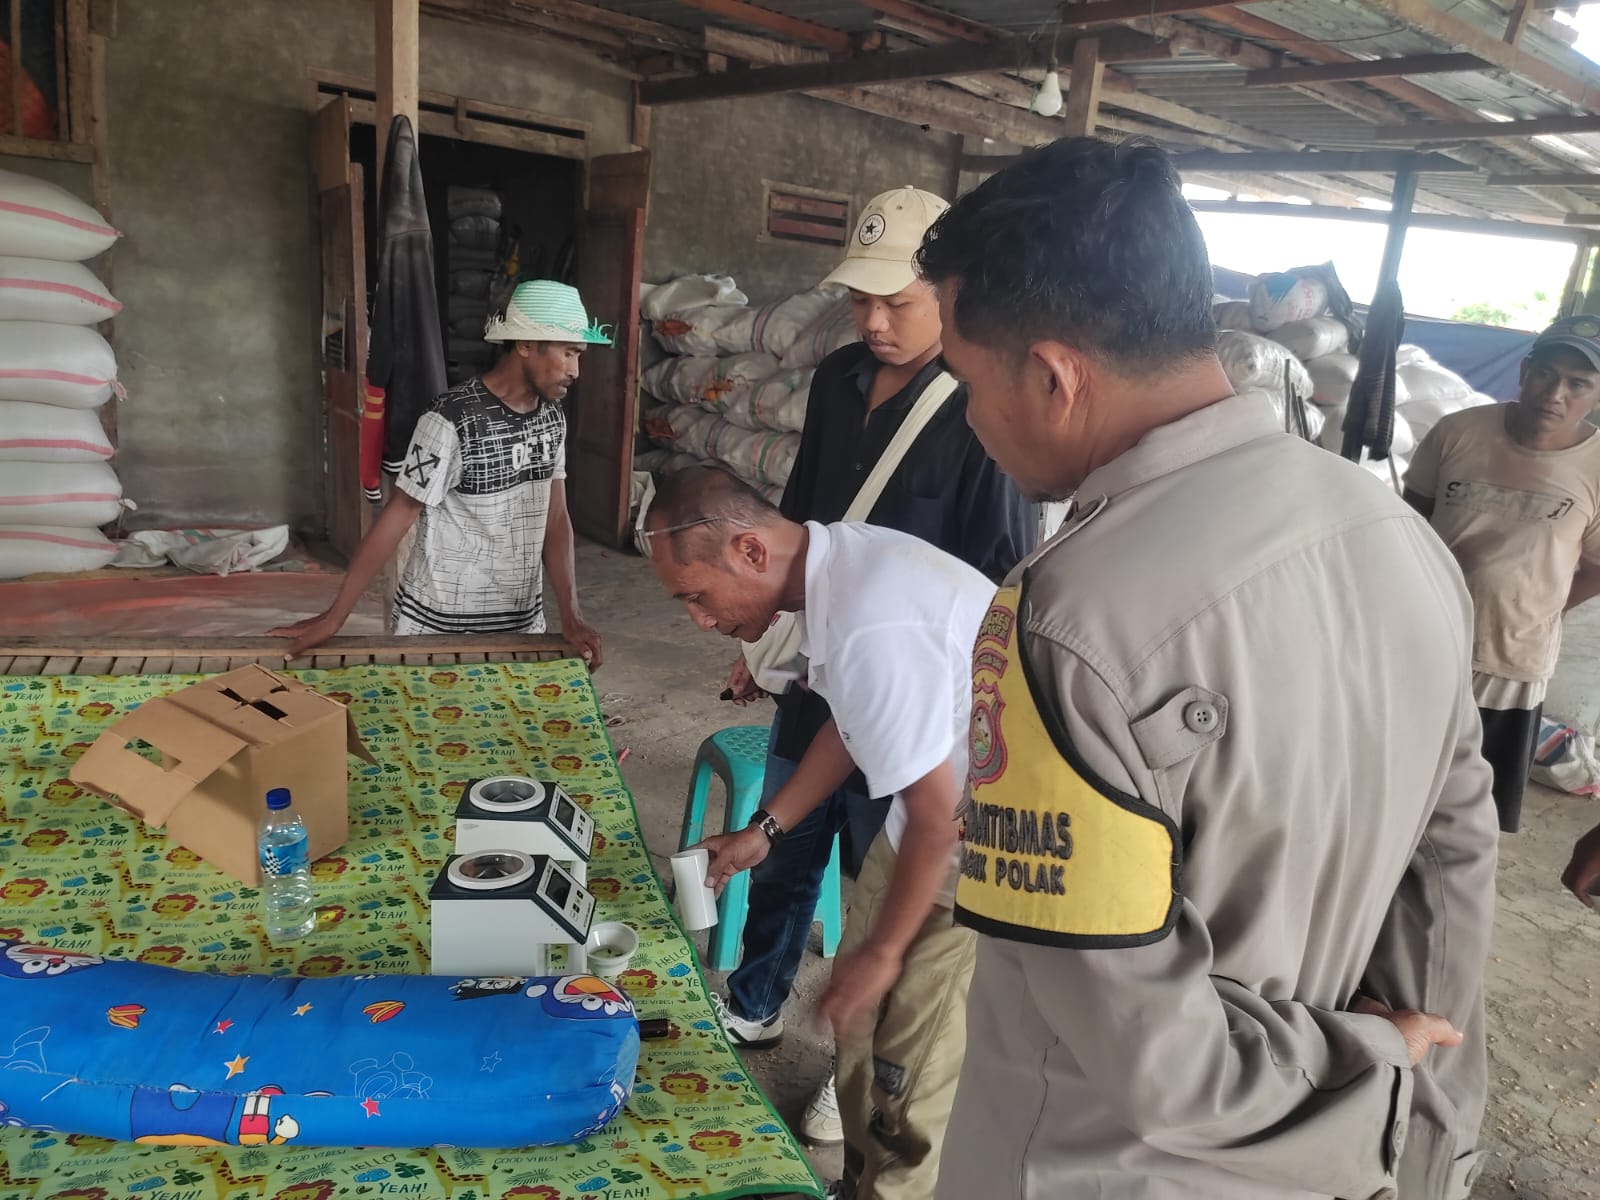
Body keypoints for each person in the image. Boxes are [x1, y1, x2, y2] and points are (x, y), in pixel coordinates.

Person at [919, 137, 1500, 1200]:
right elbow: (1453, 852)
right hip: (1329, 1161)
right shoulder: (1398, 537)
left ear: (1052, 374)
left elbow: (1167, 1070)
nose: (969, 418)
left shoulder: (1067, 617)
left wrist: (1366, 1064)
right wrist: (1411, 1095)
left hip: (1100, 1167)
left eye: (964, 380)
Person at [713, 185, 1033, 1146]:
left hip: (912, 686)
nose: (875, 321)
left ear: (950, 296)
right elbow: (798, 518)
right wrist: (766, 635)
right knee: (782, 837)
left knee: (877, 867)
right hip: (825, 659)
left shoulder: (980, 410)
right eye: (861, 299)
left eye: (898, 301)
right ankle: (757, 997)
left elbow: (1000, 573)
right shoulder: (838, 378)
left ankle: (847, 1056)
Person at [644, 465, 988, 1200]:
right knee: (861, 1041)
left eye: (696, 597)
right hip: (920, 830)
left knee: (910, 1072)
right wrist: (766, 829)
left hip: (973, 853)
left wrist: (883, 954)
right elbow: (850, 723)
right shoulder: (837, 573)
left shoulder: (872, 619)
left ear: (750, 551)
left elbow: (937, 818)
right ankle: (857, 1184)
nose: (699, 621)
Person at [270, 280, 605, 666]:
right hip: (438, 630)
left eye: (579, 355)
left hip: (520, 626)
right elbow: (399, 514)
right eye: (568, 352)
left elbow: (556, 518)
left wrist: (571, 615)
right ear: (526, 345)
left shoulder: (552, 418)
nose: (575, 370)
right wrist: (335, 617)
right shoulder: (452, 418)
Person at [1404, 316, 1600, 833]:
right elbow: (1410, 524)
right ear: (1524, 371)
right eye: (1546, 374)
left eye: (1577, 383)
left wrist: (1541, 606)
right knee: (1397, 788)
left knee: (1472, 819)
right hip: (1427, 646)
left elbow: (1597, 569)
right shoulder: (1459, 432)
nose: (1554, 394)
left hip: (1510, 664)